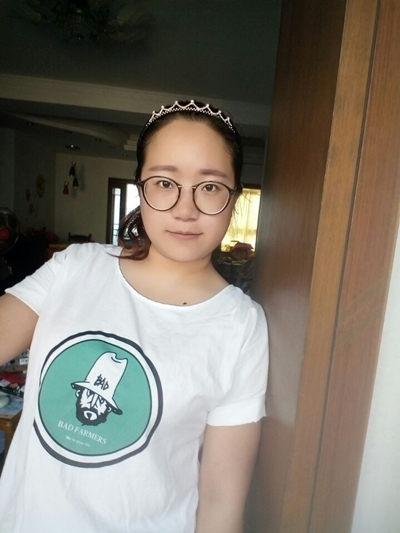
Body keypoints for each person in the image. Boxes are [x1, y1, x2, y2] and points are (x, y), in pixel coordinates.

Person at [0, 100, 269, 533]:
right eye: (164, 182)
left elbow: (221, 503)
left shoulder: (241, 326)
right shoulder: (75, 268)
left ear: (234, 198)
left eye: (210, 186)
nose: (185, 209)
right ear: (141, 188)